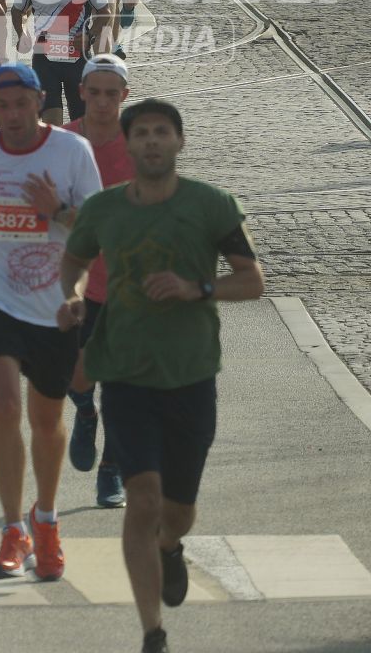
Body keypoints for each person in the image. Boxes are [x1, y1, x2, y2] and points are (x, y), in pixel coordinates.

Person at [60, 98, 265, 653]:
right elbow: (75, 260)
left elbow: (252, 281)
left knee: (176, 512)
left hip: (191, 373)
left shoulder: (214, 206)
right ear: (127, 146)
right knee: (142, 499)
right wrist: (74, 299)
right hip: (124, 373)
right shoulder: (103, 209)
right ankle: (152, 630)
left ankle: (171, 547)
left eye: (161, 132)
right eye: (142, 133)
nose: (151, 141)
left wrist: (197, 288)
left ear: (178, 142)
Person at [0, 62, 104, 582]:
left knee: (46, 422)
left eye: (21, 104)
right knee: (4, 406)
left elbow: (96, 228)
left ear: (38, 102)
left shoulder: (71, 152)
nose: (12, 115)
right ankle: (12, 529)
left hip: (52, 302)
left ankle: (45, 519)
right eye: (1, 106)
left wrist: (55, 210)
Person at [60, 55, 136, 509]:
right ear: (82, 91)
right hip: (73, 279)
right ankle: (85, 412)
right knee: (75, 373)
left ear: (125, 96)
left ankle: (112, 473)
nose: (104, 101)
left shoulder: (140, 143)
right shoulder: (64, 141)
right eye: (96, 92)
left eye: (113, 93)